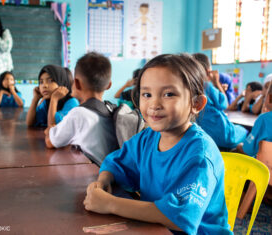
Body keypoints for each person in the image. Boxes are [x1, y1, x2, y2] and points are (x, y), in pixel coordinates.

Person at [83, 54, 231, 234]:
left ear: (196, 104)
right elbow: (117, 162)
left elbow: (178, 218)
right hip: (154, 228)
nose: (154, 104)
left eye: (168, 94)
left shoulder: (199, 155)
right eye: (147, 94)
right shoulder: (149, 137)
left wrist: (110, 204)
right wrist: (103, 181)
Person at [45, 52, 118, 165]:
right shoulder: (111, 109)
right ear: (109, 85)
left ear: (77, 84)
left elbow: (50, 142)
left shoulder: (78, 114)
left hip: (93, 177)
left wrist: (49, 130)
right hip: (112, 174)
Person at [193, 53, 248, 150]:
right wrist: (216, 82)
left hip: (206, 138)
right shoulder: (207, 86)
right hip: (225, 137)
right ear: (208, 71)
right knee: (245, 131)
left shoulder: (190, 89)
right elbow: (225, 104)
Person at [237, 82, 272, 157]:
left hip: (264, 166)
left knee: (239, 146)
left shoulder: (264, 119)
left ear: (269, 97)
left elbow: (248, 150)